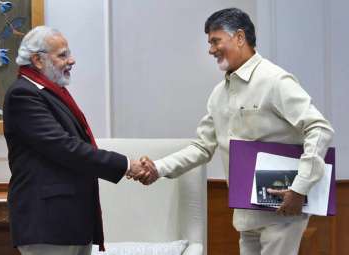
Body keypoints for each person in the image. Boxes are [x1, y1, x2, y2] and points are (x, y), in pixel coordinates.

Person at [138, 8, 334, 255]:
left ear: (240, 37)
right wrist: (158, 168)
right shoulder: (219, 94)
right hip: (245, 213)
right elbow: (202, 146)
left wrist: (299, 187)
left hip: (282, 212)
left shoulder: (274, 80)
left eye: (215, 40)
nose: (211, 50)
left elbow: (319, 127)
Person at [3, 26, 154, 255]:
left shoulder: (50, 92)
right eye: (62, 55)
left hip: (69, 222)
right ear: (37, 60)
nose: (71, 60)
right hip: (48, 224)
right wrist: (126, 165)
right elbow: (64, 147)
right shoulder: (23, 94)